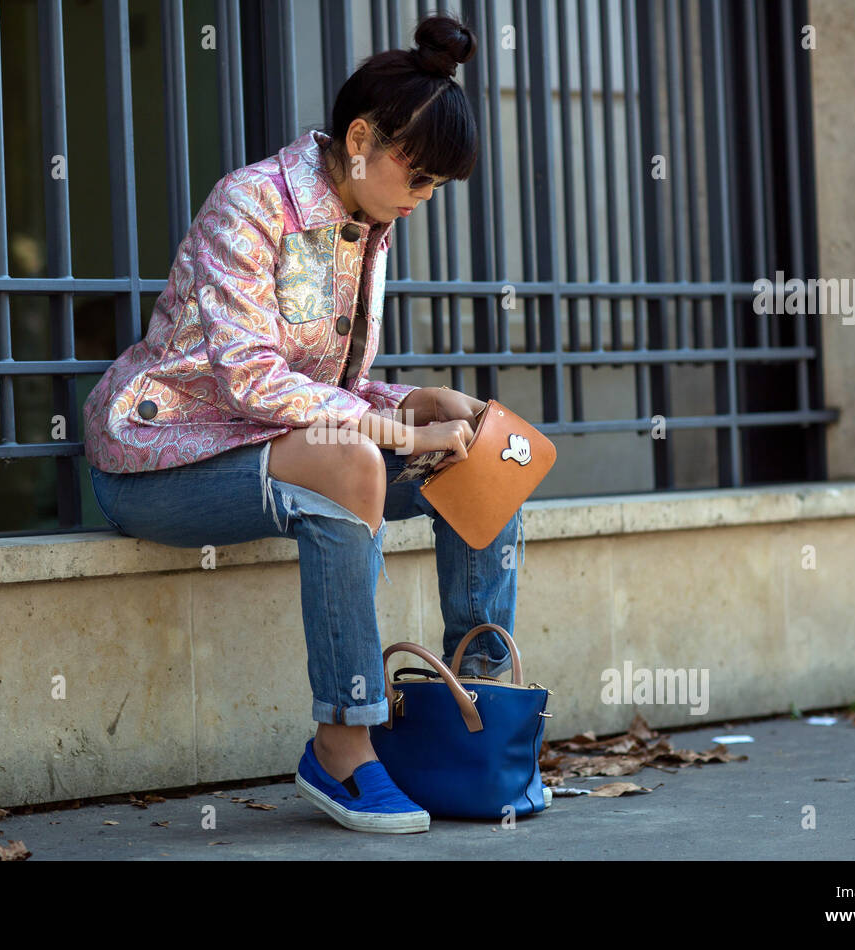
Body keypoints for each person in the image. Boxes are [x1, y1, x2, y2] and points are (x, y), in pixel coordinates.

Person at [82, 13, 525, 834]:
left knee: (484, 462)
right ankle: (344, 743)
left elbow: (328, 388)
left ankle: (481, 717)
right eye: (418, 177)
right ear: (361, 138)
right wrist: (388, 433)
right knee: (356, 463)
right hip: (161, 460)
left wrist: (412, 403)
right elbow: (251, 379)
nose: (422, 201)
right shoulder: (250, 204)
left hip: (279, 446)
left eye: (435, 187)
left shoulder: (369, 222)